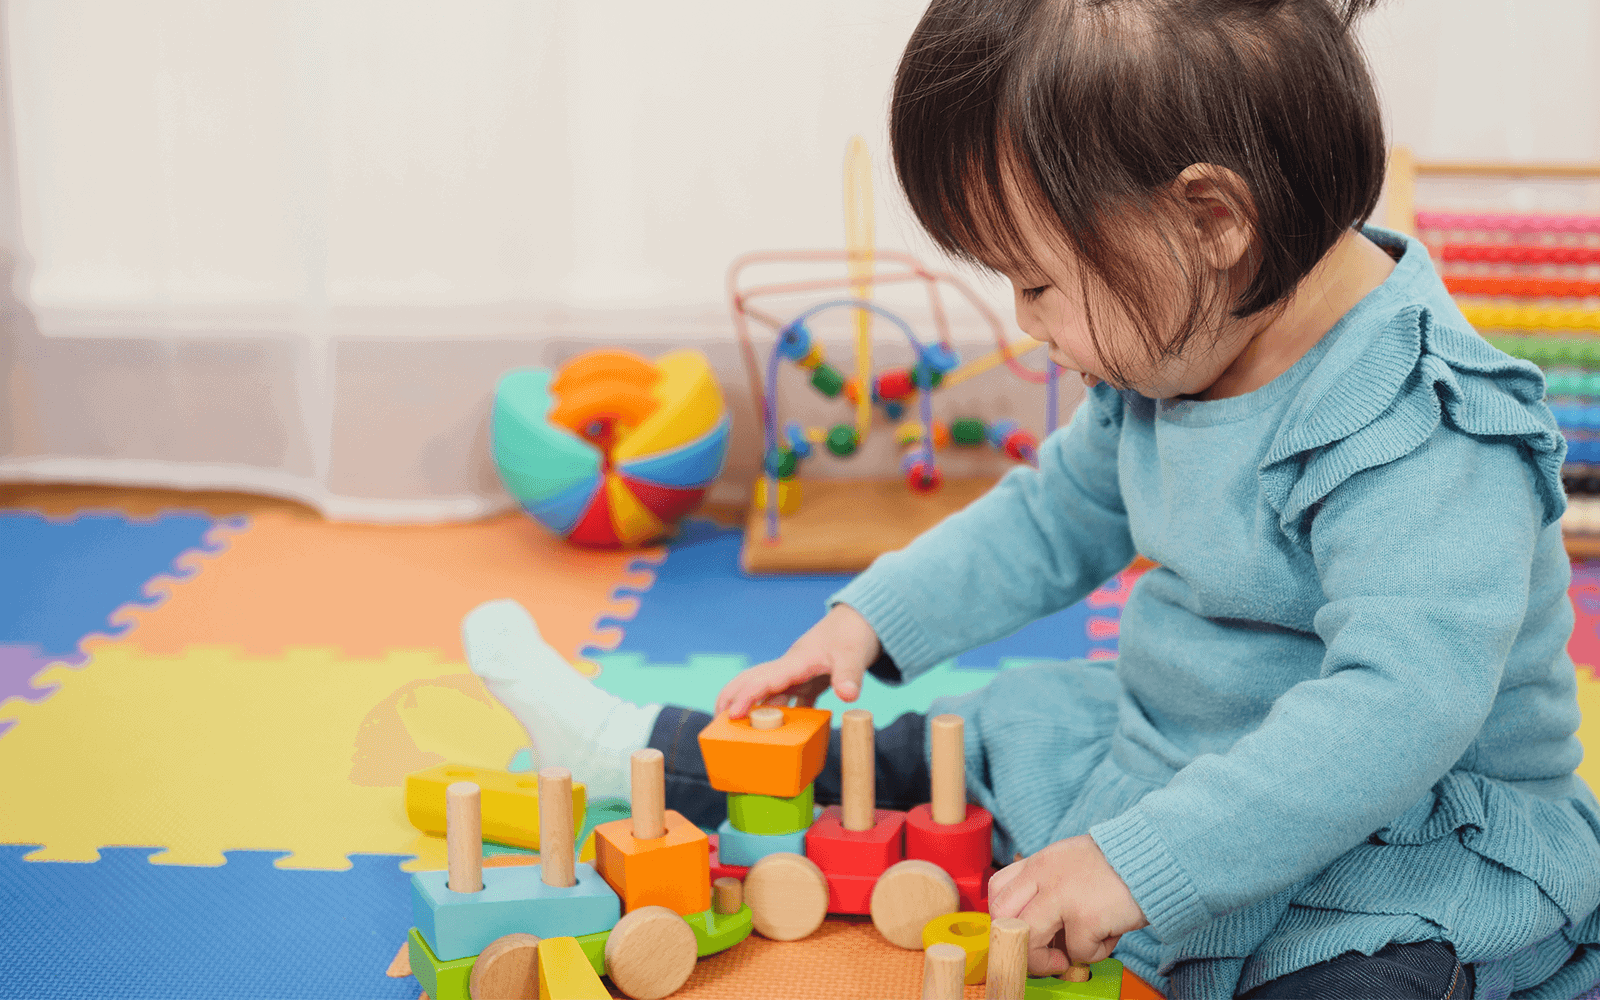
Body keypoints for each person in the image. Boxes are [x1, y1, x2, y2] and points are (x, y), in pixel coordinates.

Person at [464, 0, 1600, 996]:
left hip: (1391, 836)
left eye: (1037, 282)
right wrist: (869, 618)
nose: (1025, 326)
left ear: (1210, 224)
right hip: (1168, 745)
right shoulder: (1183, 347)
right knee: (936, 752)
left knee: (1370, 969)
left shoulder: (1426, 424)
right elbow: (1053, 513)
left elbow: (1393, 714)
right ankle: (644, 754)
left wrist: (1130, 864)